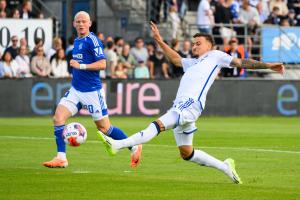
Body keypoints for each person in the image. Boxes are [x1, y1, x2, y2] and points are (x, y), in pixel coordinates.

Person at [98, 22, 284, 184]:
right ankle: (225, 166)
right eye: (193, 43)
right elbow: (175, 59)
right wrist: (159, 40)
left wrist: (268, 66)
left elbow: (242, 62)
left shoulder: (216, 56)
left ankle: (119, 145)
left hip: (190, 104)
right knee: (186, 153)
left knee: (157, 125)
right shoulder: (192, 63)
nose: (194, 46)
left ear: (210, 46)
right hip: (182, 106)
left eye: (198, 43)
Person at [43, 11, 142, 168]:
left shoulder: (93, 41)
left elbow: (102, 64)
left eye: (84, 21)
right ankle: (61, 158)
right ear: (74, 24)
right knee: (58, 118)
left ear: (89, 24)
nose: (81, 24)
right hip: (76, 90)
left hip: (92, 92)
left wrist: (81, 66)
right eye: (78, 21)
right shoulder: (76, 41)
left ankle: (134, 146)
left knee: (105, 128)